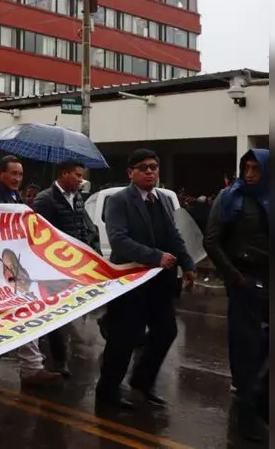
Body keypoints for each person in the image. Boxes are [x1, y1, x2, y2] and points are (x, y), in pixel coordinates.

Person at [96, 149, 196, 410]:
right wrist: (155, 256)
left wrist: (187, 264)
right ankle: (107, 395)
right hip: (130, 281)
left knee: (166, 332)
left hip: (159, 283)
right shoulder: (119, 200)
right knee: (123, 340)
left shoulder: (162, 198)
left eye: (154, 166)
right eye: (143, 167)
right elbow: (119, 239)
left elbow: (174, 234)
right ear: (131, 173)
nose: (150, 171)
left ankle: (141, 382)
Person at [0, 155, 63, 387]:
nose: (17, 178)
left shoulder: (14, 195)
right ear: (0, 173)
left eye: (20, 174)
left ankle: (31, 366)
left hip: (12, 262)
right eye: (13, 173)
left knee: (27, 309)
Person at [203, 149, 269, 441]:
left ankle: (260, 395)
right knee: (245, 346)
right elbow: (212, 241)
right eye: (247, 167)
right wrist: (236, 278)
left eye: (256, 168)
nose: (250, 174)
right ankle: (247, 413)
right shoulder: (230, 198)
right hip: (244, 280)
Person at [30, 161, 101, 377]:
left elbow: (83, 228)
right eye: (77, 175)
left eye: (82, 176)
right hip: (52, 268)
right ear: (64, 174)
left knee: (69, 312)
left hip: (76, 266)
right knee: (56, 315)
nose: (81, 180)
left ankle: (54, 352)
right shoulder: (44, 200)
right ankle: (59, 361)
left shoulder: (78, 198)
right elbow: (37, 234)